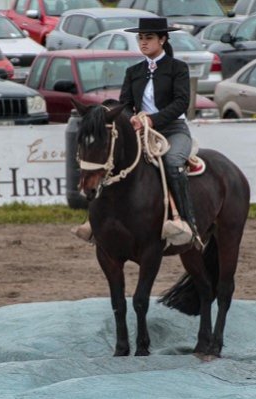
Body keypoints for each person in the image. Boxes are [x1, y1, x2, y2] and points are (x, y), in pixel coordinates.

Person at [71, 17, 200, 247]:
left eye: (148, 38)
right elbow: (126, 103)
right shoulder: (133, 71)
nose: (143, 42)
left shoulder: (177, 68)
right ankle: (95, 221)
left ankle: (186, 222)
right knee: (111, 161)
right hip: (139, 130)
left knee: (172, 162)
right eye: (140, 38)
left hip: (172, 130)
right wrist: (132, 119)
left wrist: (151, 118)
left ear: (162, 39)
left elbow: (181, 103)